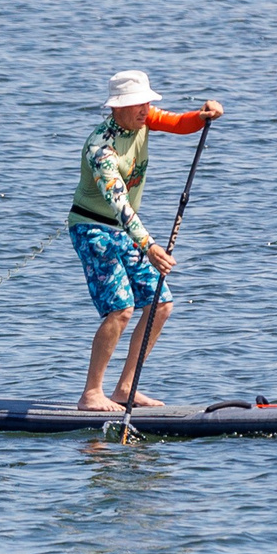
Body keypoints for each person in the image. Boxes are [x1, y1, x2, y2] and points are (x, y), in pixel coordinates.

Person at [70, 71, 224, 411]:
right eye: (138, 104)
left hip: (125, 230)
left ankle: (125, 388)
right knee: (121, 309)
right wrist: (150, 246)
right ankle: (91, 393)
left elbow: (179, 123)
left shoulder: (145, 120)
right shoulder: (101, 149)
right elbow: (119, 205)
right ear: (118, 108)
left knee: (160, 304)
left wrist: (203, 115)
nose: (146, 109)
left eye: (147, 103)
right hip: (93, 228)